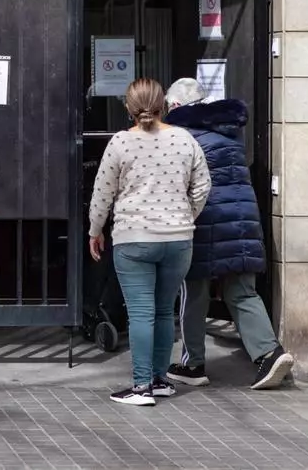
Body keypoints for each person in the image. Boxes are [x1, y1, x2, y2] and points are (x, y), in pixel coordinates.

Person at [161, 78, 295, 391]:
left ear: (176, 106)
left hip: (206, 222)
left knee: (194, 292)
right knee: (242, 291)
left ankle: (192, 364)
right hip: (242, 220)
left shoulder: (181, 136)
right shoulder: (229, 131)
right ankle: (269, 353)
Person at [88, 78, 211, 406]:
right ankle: (159, 381)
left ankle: (141, 386)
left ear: (128, 107)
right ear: (164, 105)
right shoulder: (184, 139)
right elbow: (203, 186)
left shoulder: (120, 143)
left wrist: (95, 230)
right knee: (163, 311)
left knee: (141, 313)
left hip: (134, 239)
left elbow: (103, 192)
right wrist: (185, 216)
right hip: (178, 239)